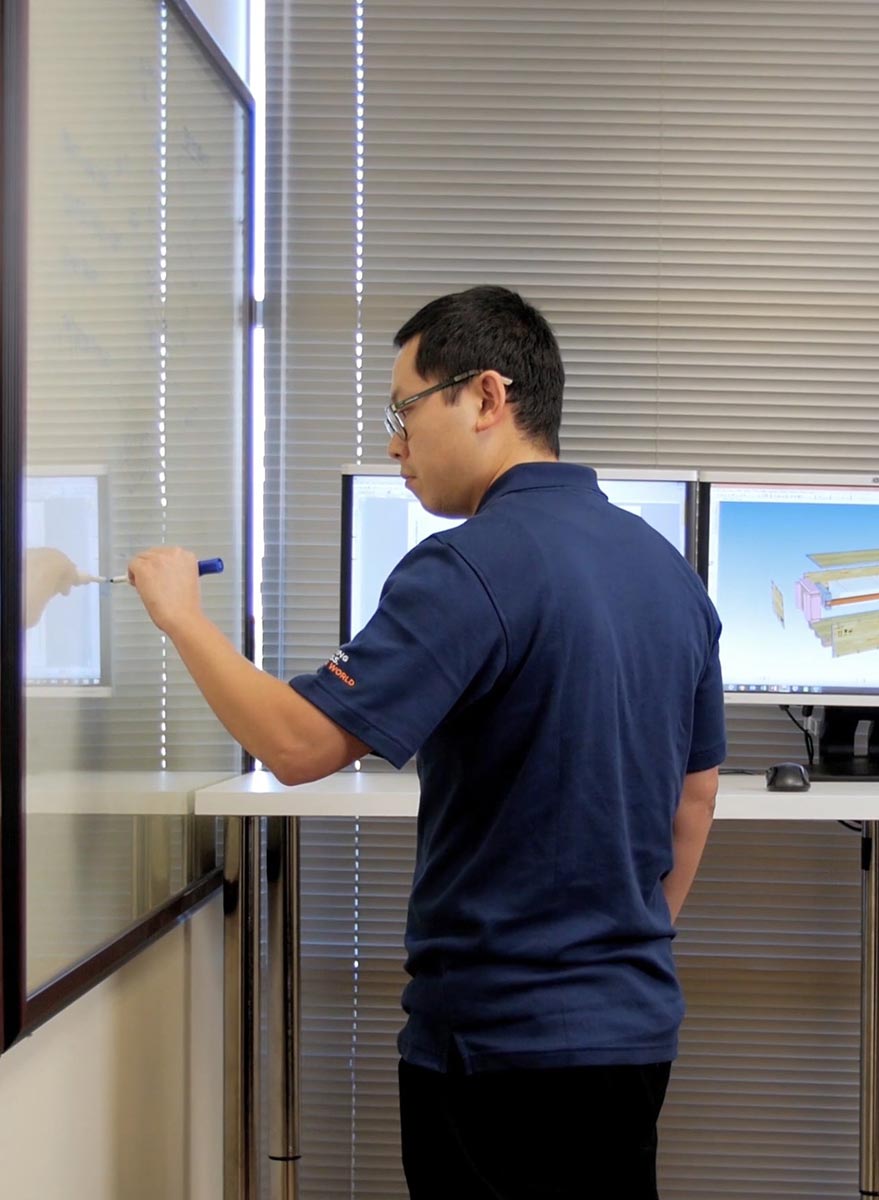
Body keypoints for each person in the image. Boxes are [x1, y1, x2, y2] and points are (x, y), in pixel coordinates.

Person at [127, 285, 726, 1200]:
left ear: (486, 397)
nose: (394, 446)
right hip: (631, 1031)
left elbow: (297, 745)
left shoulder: (468, 565)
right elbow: (696, 795)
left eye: (403, 412)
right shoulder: (667, 569)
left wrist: (181, 617)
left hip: (497, 1050)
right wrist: (611, 959)